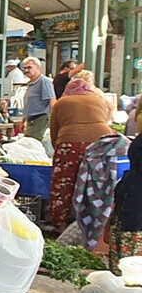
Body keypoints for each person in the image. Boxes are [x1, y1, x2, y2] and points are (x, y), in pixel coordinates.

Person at [48, 70, 114, 227]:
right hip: (101, 144)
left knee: (64, 183)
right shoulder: (99, 100)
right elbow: (106, 117)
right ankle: (94, 221)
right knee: (95, 182)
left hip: (69, 143)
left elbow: (54, 130)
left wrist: (58, 149)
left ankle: (60, 222)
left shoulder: (61, 103)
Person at [20, 56, 55, 141]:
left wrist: (55, 120)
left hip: (40, 119)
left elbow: (52, 101)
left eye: (29, 67)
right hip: (30, 120)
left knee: (33, 144)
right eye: (24, 68)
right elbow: (29, 103)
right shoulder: (30, 84)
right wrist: (24, 120)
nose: (26, 70)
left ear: (38, 67)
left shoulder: (44, 82)